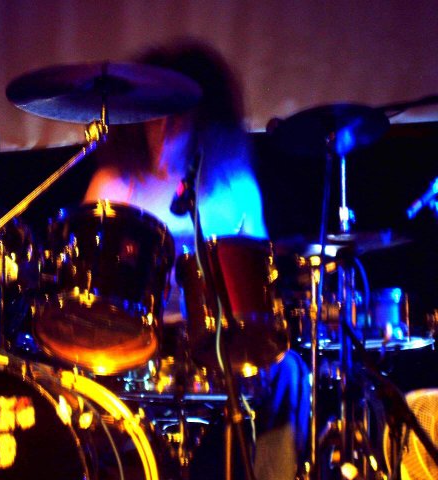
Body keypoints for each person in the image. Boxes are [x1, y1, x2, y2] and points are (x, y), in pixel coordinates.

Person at [83, 40, 310, 479]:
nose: (165, 128)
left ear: (202, 118)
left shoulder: (233, 184)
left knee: (290, 372)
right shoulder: (112, 186)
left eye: (178, 116)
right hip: (135, 343)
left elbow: (258, 287)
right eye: (156, 115)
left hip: (215, 344)